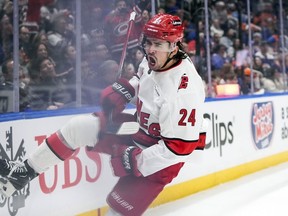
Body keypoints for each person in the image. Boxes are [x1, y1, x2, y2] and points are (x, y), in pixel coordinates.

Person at [0, 14, 207, 216]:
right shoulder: (155, 59)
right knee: (78, 128)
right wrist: (127, 89)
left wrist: (137, 160)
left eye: (158, 44)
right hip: (141, 131)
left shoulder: (183, 90)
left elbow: (178, 149)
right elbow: (142, 79)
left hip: (161, 160)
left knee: (118, 210)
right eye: (148, 42)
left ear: (174, 46)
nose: (151, 49)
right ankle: (21, 174)